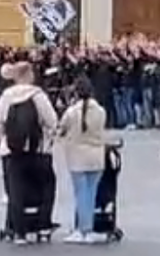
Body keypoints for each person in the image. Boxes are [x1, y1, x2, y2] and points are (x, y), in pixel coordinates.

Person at [0, 61, 60, 244]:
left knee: (15, 191)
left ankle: (18, 231)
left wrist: (1, 145)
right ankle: (43, 226)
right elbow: (52, 121)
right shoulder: (38, 95)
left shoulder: (6, 96)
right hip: (38, 151)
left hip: (11, 151)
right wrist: (49, 140)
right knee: (47, 187)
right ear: (29, 75)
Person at [56, 77, 109, 244]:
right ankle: (89, 228)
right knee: (91, 194)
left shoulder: (71, 112)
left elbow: (61, 129)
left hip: (77, 157)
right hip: (96, 157)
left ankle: (82, 229)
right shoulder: (100, 111)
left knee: (80, 194)